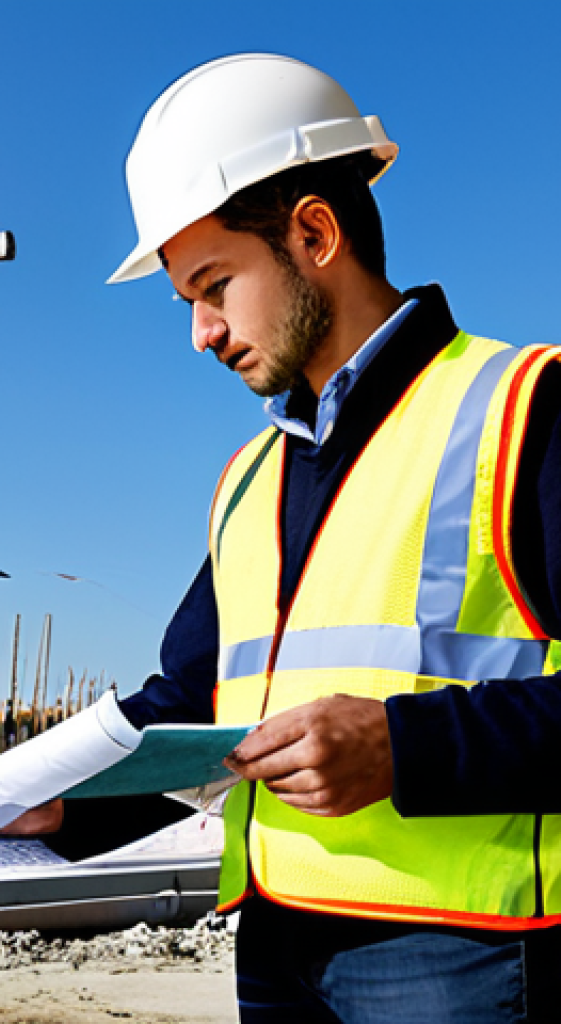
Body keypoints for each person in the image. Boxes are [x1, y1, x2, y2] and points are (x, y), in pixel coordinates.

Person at [102, 54, 561, 1022]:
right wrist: (42, 808)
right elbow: (188, 708)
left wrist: (402, 747)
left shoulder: (524, 411)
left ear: (314, 232)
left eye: (213, 284)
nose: (200, 331)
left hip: (462, 959)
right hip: (274, 947)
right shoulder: (248, 481)